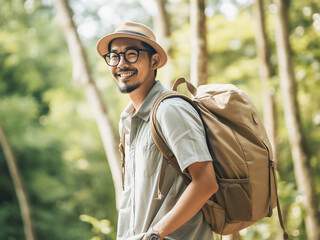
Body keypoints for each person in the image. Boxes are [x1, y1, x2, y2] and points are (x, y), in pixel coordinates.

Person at [96, 21, 218, 240]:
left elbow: (206, 182)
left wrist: (155, 234)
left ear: (154, 61)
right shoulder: (127, 121)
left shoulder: (170, 110)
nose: (121, 63)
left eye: (131, 54)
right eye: (114, 56)